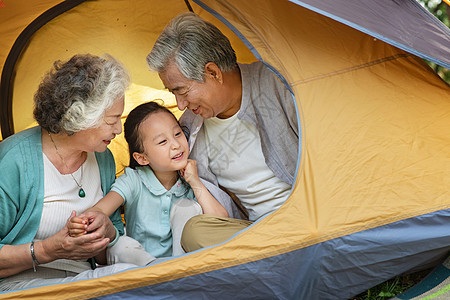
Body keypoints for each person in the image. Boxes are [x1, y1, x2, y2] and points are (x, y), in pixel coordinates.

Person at [146, 12, 299, 252]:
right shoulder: (188, 127)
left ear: (213, 73)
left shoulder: (279, 84)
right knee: (196, 231)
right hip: (255, 236)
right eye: (172, 93)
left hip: (311, 216)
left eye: (182, 90)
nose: (180, 104)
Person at [0, 54, 137, 292]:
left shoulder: (103, 157)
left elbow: (109, 248)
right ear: (80, 116)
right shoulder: (13, 161)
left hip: (84, 282)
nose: (119, 129)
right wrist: (44, 251)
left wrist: (105, 232)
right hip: (20, 287)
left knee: (135, 278)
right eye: (112, 119)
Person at [67, 101, 232, 262]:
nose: (176, 145)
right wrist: (83, 221)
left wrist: (195, 182)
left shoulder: (189, 179)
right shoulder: (134, 180)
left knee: (186, 208)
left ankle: (178, 264)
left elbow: (220, 222)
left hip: (181, 261)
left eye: (177, 133)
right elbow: (101, 209)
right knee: (121, 244)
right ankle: (154, 268)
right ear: (142, 158)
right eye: (162, 141)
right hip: (141, 263)